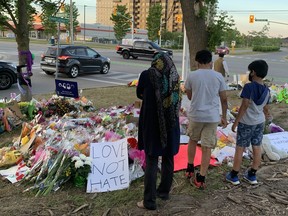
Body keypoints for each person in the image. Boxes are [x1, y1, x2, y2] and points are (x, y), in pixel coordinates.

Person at [136, 53, 181, 210]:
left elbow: (139, 93)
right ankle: (164, 192)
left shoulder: (147, 74)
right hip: (171, 122)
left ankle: (149, 201)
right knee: (168, 158)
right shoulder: (174, 75)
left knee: (152, 160)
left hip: (152, 122)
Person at [184, 49, 228, 189]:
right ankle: (201, 177)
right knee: (207, 147)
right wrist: (224, 117)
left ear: (197, 61)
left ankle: (190, 168)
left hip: (196, 114)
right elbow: (224, 99)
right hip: (212, 116)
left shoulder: (192, 76)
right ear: (210, 62)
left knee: (192, 140)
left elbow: (189, 96)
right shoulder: (218, 77)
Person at [226, 60, 271, 185]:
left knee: (240, 147)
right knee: (257, 146)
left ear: (254, 72)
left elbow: (244, 105)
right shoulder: (267, 90)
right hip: (259, 122)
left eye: (250, 71)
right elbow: (266, 108)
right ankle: (252, 174)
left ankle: (234, 175)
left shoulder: (249, 87)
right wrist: (268, 116)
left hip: (247, 122)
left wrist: (236, 122)